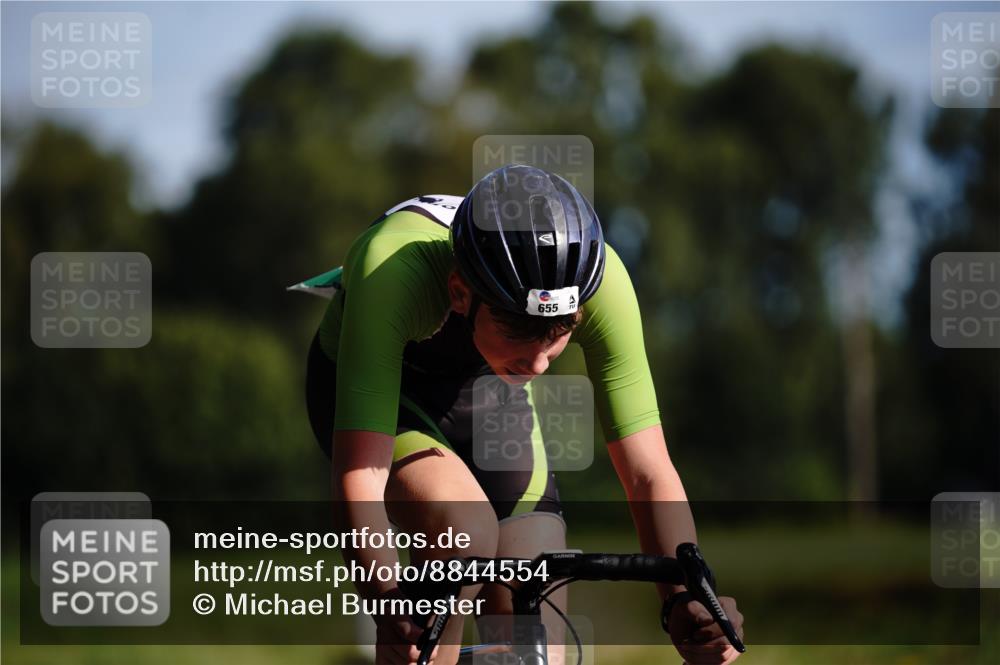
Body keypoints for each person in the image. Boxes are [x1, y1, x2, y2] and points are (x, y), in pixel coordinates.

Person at [302, 164, 743, 664]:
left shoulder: (601, 281)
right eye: (518, 330)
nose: (538, 363)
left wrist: (687, 598)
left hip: (492, 394)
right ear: (460, 292)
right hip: (390, 392)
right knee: (462, 530)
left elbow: (648, 472)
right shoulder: (392, 269)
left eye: (556, 335)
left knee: (538, 588)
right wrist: (389, 604)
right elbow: (360, 480)